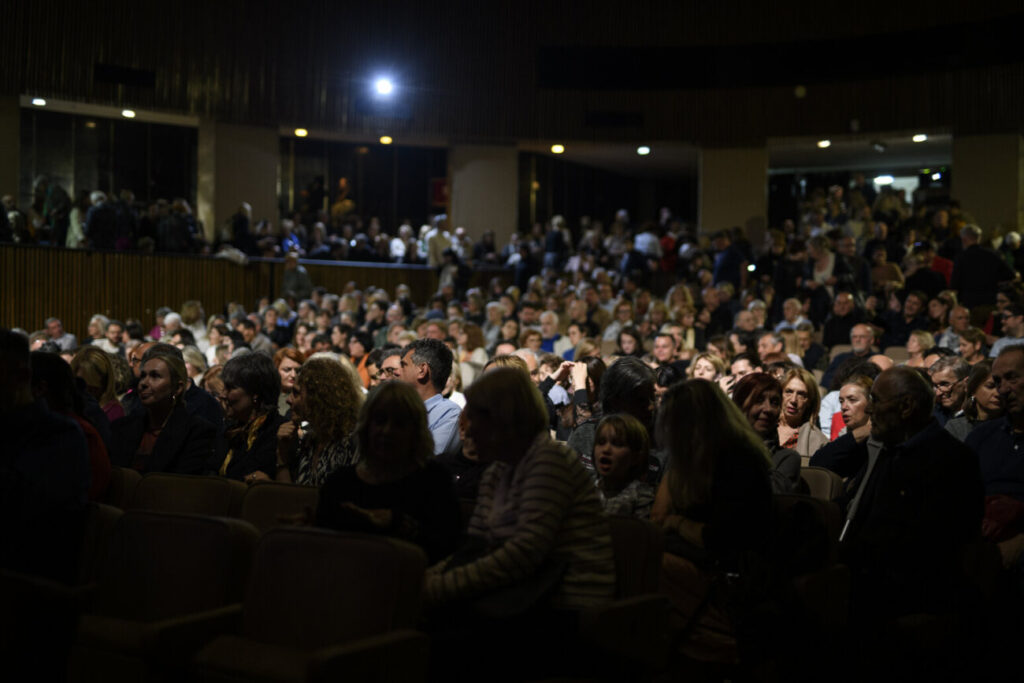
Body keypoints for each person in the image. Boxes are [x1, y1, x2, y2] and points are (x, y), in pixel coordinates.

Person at [424, 368, 616, 609]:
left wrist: (437, 587)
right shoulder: (497, 470)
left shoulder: (549, 461)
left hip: (565, 606)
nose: (468, 428)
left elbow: (522, 557)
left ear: (505, 420)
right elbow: (475, 545)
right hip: (518, 596)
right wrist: (429, 579)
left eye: (477, 416)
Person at [840, 368, 982, 626]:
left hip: (914, 605)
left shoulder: (951, 461)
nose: (870, 410)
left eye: (876, 400)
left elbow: (934, 552)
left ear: (905, 406)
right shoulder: (888, 452)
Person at [316, 382, 462, 563]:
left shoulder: (434, 482)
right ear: (366, 426)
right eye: (379, 420)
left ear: (415, 432)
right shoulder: (340, 483)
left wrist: (398, 524)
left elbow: (447, 549)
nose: (387, 431)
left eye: (399, 423)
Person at [651, 379, 773, 571]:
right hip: (702, 558)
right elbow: (657, 517)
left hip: (735, 569)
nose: (670, 435)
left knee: (649, 563)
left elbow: (721, 539)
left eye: (674, 425)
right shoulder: (693, 460)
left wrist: (676, 523)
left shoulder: (738, 461)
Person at [108, 347, 216, 474]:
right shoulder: (122, 427)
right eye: (143, 376)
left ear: (177, 388)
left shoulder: (196, 431)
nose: (144, 383)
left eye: (155, 376)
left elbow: (182, 483)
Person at [269, 356, 360, 486]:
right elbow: (291, 499)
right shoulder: (309, 437)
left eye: (296, 393)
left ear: (318, 397)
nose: (288, 400)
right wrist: (282, 456)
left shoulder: (352, 442)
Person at [213, 353, 287, 482]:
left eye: (230, 388)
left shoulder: (278, 432)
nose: (222, 395)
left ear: (255, 393)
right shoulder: (230, 430)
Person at [731, 373, 802, 493]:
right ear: (739, 406)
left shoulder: (786, 458)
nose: (768, 409)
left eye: (774, 402)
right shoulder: (718, 449)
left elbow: (769, 497)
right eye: (758, 400)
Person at [398, 338, 461, 456]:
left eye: (403, 365)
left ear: (422, 370)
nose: (397, 372)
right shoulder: (397, 407)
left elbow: (428, 460)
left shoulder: (449, 414)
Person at [592, 413, 655, 519]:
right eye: (601, 442)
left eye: (617, 444)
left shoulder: (640, 496)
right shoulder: (587, 489)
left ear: (636, 457)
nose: (606, 449)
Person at [776, 367, 827, 465]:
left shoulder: (818, 441)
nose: (793, 400)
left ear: (810, 401)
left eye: (801, 394)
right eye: (789, 391)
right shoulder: (765, 425)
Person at [945, 360, 1002, 442]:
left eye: (1001, 387)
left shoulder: (1015, 428)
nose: (997, 393)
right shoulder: (956, 428)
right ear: (973, 389)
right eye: (990, 386)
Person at [70, 346, 125, 423]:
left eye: (93, 388)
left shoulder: (114, 412)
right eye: (81, 384)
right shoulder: (68, 407)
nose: (87, 391)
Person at [929, 356, 970, 426]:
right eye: (935, 386)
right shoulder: (931, 416)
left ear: (966, 382)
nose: (938, 393)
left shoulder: (980, 416)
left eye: (945, 384)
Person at [273, 347, 303, 416]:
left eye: (298, 371)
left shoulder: (305, 399)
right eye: (287, 370)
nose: (293, 375)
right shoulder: (268, 397)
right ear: (276, 369)